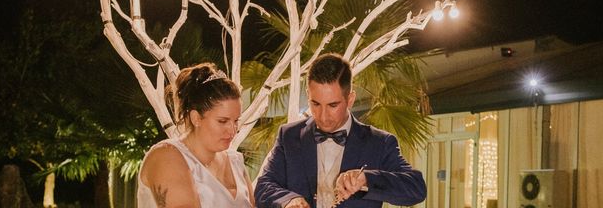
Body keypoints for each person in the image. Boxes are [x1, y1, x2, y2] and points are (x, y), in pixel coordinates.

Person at [255, 53, 426, 208]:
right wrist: (288, 200)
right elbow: (264, 186)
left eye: (333, 105)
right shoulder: (289, 136)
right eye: (315, 104)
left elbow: (416, 188)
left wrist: (366, 178)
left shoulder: (379, 142)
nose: (322, 116)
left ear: (350, 99)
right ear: (308, 95)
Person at [137, 62, 255, 208]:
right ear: (196, 118)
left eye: (236, 120)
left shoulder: (235, 161)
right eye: (222, 121)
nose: (232, 130)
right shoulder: (166, 156)